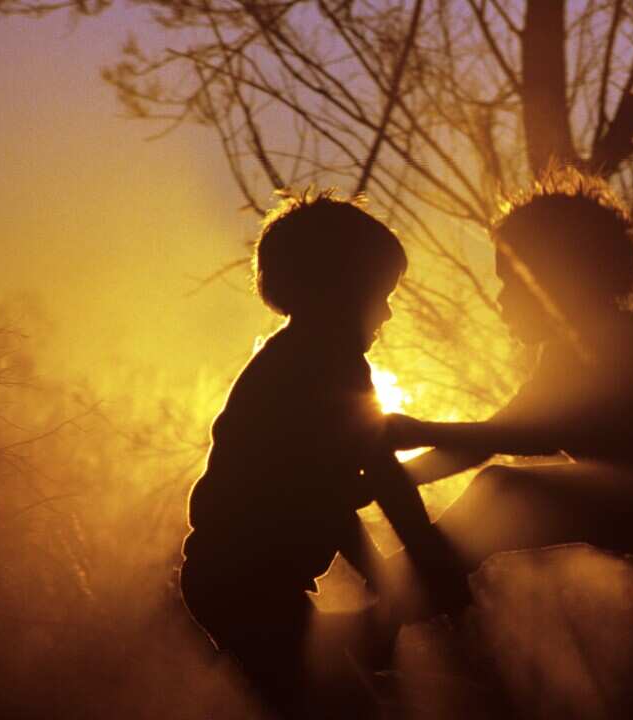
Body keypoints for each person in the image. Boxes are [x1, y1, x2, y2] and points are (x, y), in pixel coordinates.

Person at [386, 168, 633, 712]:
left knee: (506, 494)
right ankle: (388, 600)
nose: (501, 298)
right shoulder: (576, 347)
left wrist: (414, 432)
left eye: (511, 279)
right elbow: (487, 440)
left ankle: (382, 608)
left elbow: (520, 435)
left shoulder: (610, 346)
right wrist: (387, 479)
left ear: (558, 275)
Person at [179, 189, 467, 719]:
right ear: (334, 290)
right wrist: (423, 567)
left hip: (237, 577)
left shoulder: (295, 360)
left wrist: (391, 577)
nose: (386, 311)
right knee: (335, 704)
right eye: (377, 294)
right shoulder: (322, 365)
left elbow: (334, 494)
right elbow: (380, 475)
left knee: (329, 693)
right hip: (242, 580)